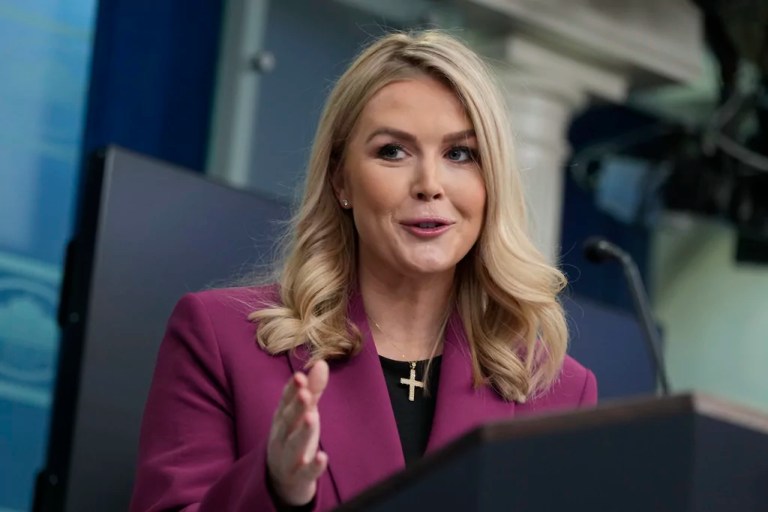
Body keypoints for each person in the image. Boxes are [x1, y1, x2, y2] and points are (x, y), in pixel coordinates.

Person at [129, 29, 597, 512]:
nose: (430, 184)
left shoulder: (560, 392)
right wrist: (276, 489)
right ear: (340, 180)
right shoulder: (219, 338)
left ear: (491, 182)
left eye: (460, 154)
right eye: (393, 151)